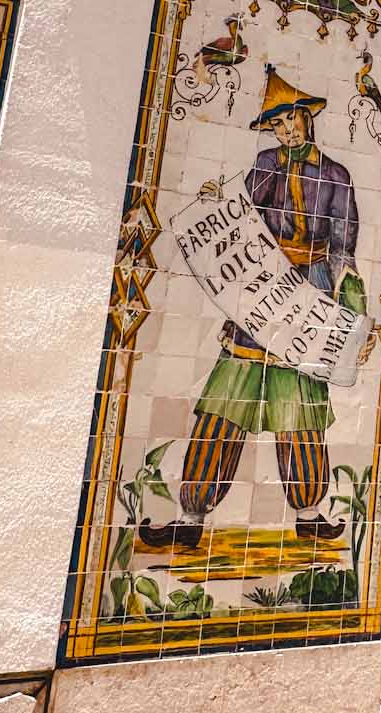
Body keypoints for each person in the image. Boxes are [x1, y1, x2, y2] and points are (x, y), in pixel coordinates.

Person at [141, 64, 365, 548]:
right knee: (223, 407)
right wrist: (211, 203)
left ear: (308, 119)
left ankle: (310, 512)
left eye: (293, 121)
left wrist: (351, 304)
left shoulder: (336, 176)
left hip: (309, 297)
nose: (287, 131)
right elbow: (239, 215)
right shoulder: (265, 165)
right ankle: (190, 516)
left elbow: (344, 246)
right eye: (277, 124)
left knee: (300, 410)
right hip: (259, 294)